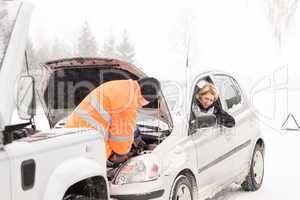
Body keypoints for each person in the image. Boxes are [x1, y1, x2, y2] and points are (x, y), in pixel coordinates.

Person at [64, 77, 161, 164]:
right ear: (146, 99)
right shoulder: (129, 102)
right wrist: (121, 155)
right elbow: (122, 138)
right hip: (88, 144)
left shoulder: (122, 86)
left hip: (71, 133)